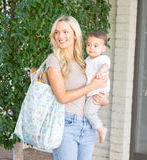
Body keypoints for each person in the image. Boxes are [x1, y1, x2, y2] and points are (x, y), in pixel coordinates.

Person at [45, 16, 108, 160]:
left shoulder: (83, 61)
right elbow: (62, 97)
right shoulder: (54, 60)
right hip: (66, 125)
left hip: (88, 126)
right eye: (57, 32)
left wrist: (104, 100)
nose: (60, 36)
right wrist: (92, 86)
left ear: (75, 34)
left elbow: (93, 92)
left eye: (65, 32)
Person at [84, 30, 110, 144]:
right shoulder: (86, 61)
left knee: (88, 112)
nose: (91, 48)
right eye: (89, 45)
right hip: (91, 92)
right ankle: (93, 129)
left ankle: (100, 128)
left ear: (103, 48)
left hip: (100, 92)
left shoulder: (102, 59)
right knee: (88, 111)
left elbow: (105, 66)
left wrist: (100, 71)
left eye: (96, 45)